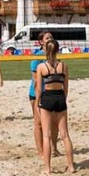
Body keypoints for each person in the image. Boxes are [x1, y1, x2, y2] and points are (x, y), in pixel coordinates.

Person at [35, 39, 75, 174]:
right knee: (65, 135)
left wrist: (37, 103)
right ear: (58, 50)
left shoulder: (42, 67)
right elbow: (66, 87)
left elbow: (39, 89)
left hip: (47, 98)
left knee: (46, 135)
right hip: (60, 98)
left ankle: (47, 168)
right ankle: (71, 166)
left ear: (46, 50)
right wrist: (63, 99)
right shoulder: (64, 66)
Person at [29, 30, 60, 158]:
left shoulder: (54, 58)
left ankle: (54, 148)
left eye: (51, 37)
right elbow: (36, 80)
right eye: (47, 38)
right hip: (37, 94)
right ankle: (41, 151)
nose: (49, 39)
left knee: (54, 123)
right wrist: (38, 99)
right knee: (39, 123)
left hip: (51, 94)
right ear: (41, 42)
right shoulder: (37, 57)